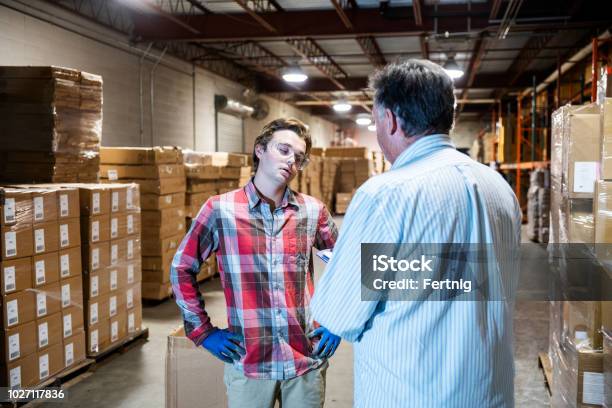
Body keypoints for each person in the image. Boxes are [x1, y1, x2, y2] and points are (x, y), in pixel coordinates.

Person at [310, 60, 522, 407]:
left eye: (376, 121)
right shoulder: (498, 187)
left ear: (390, 120)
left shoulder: (384, 195)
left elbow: (339, 313)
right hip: (489, 391)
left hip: (411, 393)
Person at [171, 118, 341, 408]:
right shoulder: (220, 210)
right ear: (260, 150)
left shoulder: (313, 212)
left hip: (305, 361)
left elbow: (345, 267)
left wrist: (339, 322)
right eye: (283, 150)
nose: (291, 161)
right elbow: (182, 268)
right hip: (250, 362)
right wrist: (202, 331)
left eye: (298, 158)